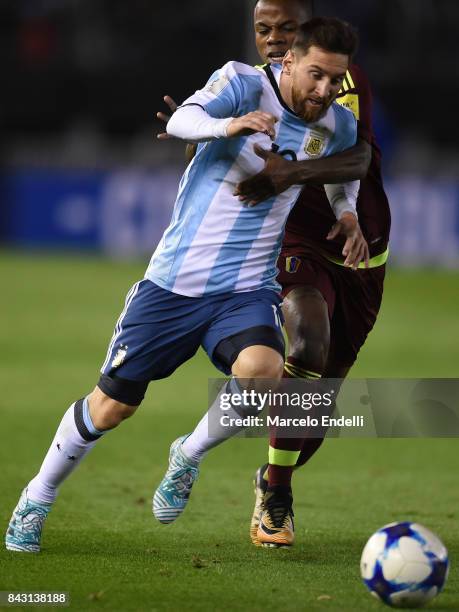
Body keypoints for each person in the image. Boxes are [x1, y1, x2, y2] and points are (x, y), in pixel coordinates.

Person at [5, 17, 363, 553]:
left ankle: (187, 455)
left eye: (335, 80)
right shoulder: (243, 82)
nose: (324, 90)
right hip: (173, 282)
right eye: (316, 75)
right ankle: (37, 496)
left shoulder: (335, 123)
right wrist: (231, 125)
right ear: (289, 60)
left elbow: (342, 172)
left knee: (266, 373)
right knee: (111, 407)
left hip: (244, 287)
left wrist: (348, 212)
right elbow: (182, 120)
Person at [157, 0, 389, 548]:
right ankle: (271, 491)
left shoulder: (336, 79)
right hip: (292, 244)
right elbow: (224, 144)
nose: (274, 39)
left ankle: (271, 475)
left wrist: (292, 176)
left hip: (359, 248)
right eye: (264, 30)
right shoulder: (253, 88)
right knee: (306, 341)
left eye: (287, 28)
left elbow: (357, 160)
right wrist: (209, 135)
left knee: (315, 402)